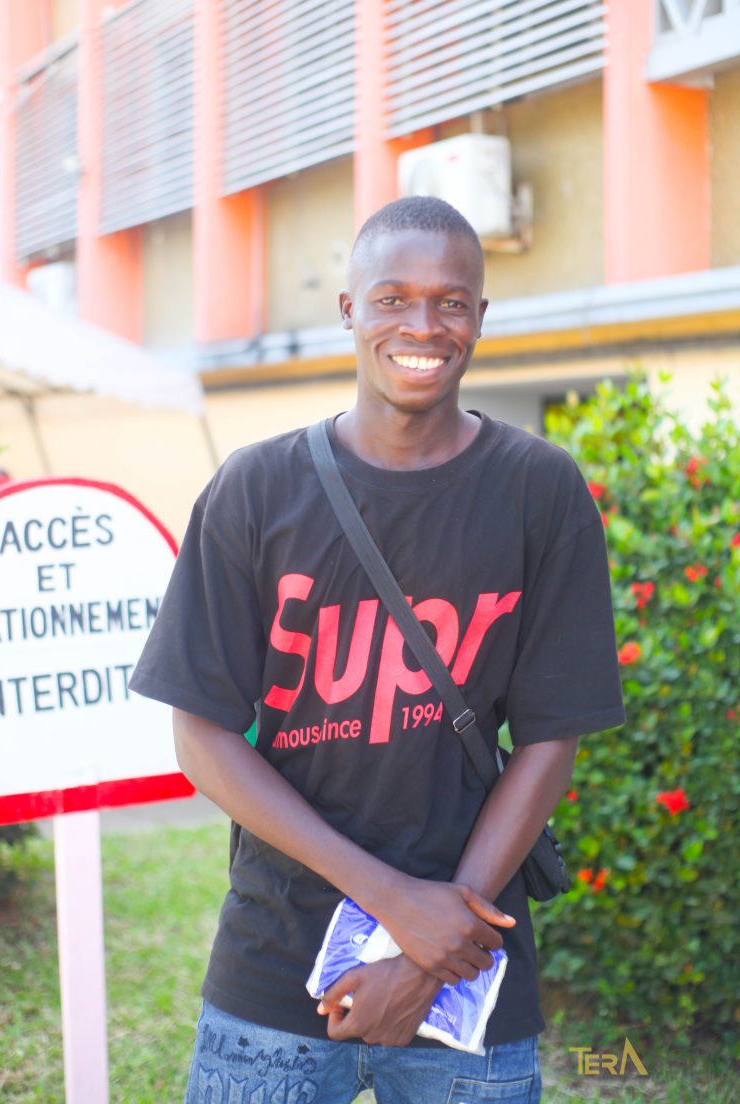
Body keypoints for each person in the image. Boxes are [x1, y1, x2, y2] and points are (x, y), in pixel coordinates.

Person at [130, 196, 625, 1104]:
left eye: (450, 302)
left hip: (470, 972)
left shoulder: (540, 491)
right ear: (350, 309)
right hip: (275, 963)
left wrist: (432, 952)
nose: (423, 326)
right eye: (393, 298)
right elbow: (200, 735)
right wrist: (395, 903)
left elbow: (551, 738)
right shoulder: (255, 490)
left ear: (480, 317)